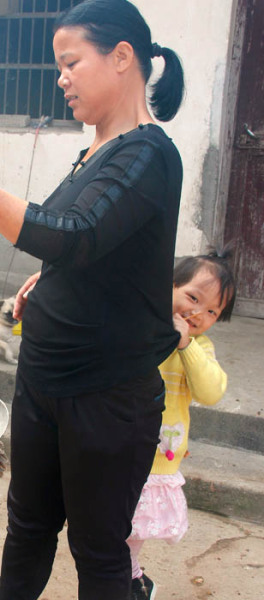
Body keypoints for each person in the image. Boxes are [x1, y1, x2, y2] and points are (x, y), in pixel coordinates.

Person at [0, 1, 185, 598]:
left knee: (98, 551)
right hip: (43, 379)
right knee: (27, 528)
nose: (61, 78)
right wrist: (48, 277)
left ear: (122, 57)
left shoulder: (149, 154)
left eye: (70, 62)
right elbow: (76, 237)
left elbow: (77, 235)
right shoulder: (92, 154)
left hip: (107, 394)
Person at [128, 248, 236, 600]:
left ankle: (132, 576)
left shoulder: (199, 348)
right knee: (109, 520)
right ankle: (125, 574)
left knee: (133, 527)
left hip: (158, 457)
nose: (197, 313)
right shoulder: (141, 324)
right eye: (192, 297)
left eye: (211, 312)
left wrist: (186, 346)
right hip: (118, 442)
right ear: (168, 287)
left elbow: (211, 392)